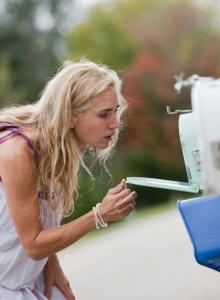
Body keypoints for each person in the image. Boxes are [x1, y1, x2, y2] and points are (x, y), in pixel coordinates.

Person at [0, 59, 137, 299]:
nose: (115, 124)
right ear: (70, 116)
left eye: (115, 111)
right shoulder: (17, 151)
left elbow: (33, 220)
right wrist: (99, 214)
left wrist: (51, 263)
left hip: (26, 277)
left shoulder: (61, 148)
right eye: (104, 114)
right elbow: (33, 243)